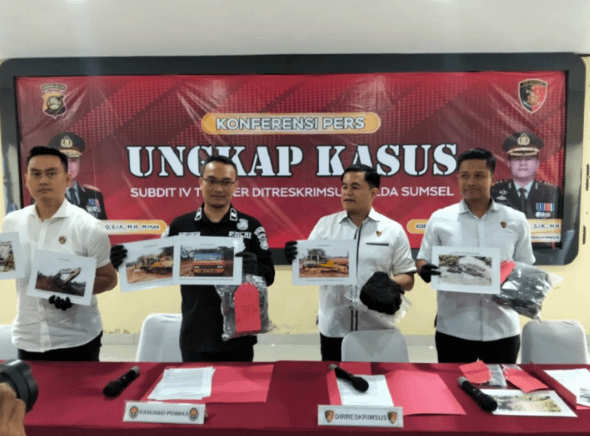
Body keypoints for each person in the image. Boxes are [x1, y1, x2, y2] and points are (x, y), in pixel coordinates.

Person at [111, 155, 275, 362]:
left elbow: (269, 275)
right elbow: (158, 267)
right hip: (195, 333)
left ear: (235, 186)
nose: (218, 188)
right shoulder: (181, 226)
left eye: (226, 182)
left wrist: (255, 267)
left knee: (235, 384)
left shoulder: (251, 227)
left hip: (239, 334)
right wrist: (125, 263)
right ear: (201, 182)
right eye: (212, 180)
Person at [284, 164, 415, 361]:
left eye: (355, 187)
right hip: (334, 327)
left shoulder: (393, 230)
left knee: (378, 378)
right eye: (344, 187)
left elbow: (408, 278)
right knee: (336, 378)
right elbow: (309, 269)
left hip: (376, 327)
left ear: (373, 192)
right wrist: (297, 259)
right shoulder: (325, 226)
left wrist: (388, 284)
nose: (347, 192)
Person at [416, 148, 535, 364]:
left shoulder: (516, 220)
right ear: (458, 178)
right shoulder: (440, 219)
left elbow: (526, 268)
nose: (470, 182)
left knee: (501, 384)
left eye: (479, 175)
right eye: (465, 176)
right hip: (454, 327)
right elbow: (423, 258)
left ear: (492, 178)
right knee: (454, 384)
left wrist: (513, 281)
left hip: (502, 328)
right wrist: (423, 269)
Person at [2, 146, 118, 361]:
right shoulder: (12, 222)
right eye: (36, 174)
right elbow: (6, 266)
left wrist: (73, 289)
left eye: (51, 173)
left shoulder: (88, 227)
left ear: (67, 178)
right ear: (26, 180)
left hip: (77, 338)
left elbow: (109, 279)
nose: (43, 180)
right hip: (28, 336)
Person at [491, 131, 561, 219]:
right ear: (509, 162)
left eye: (528, 158)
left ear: (537, 162)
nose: (523, 163)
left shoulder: (551, 193)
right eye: (517, 159)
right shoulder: (494, 192)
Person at [48, 132, 108, 220]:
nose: (69, 166)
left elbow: (102, 227)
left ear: (79, 163)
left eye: (73, 160)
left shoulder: (93, 195)